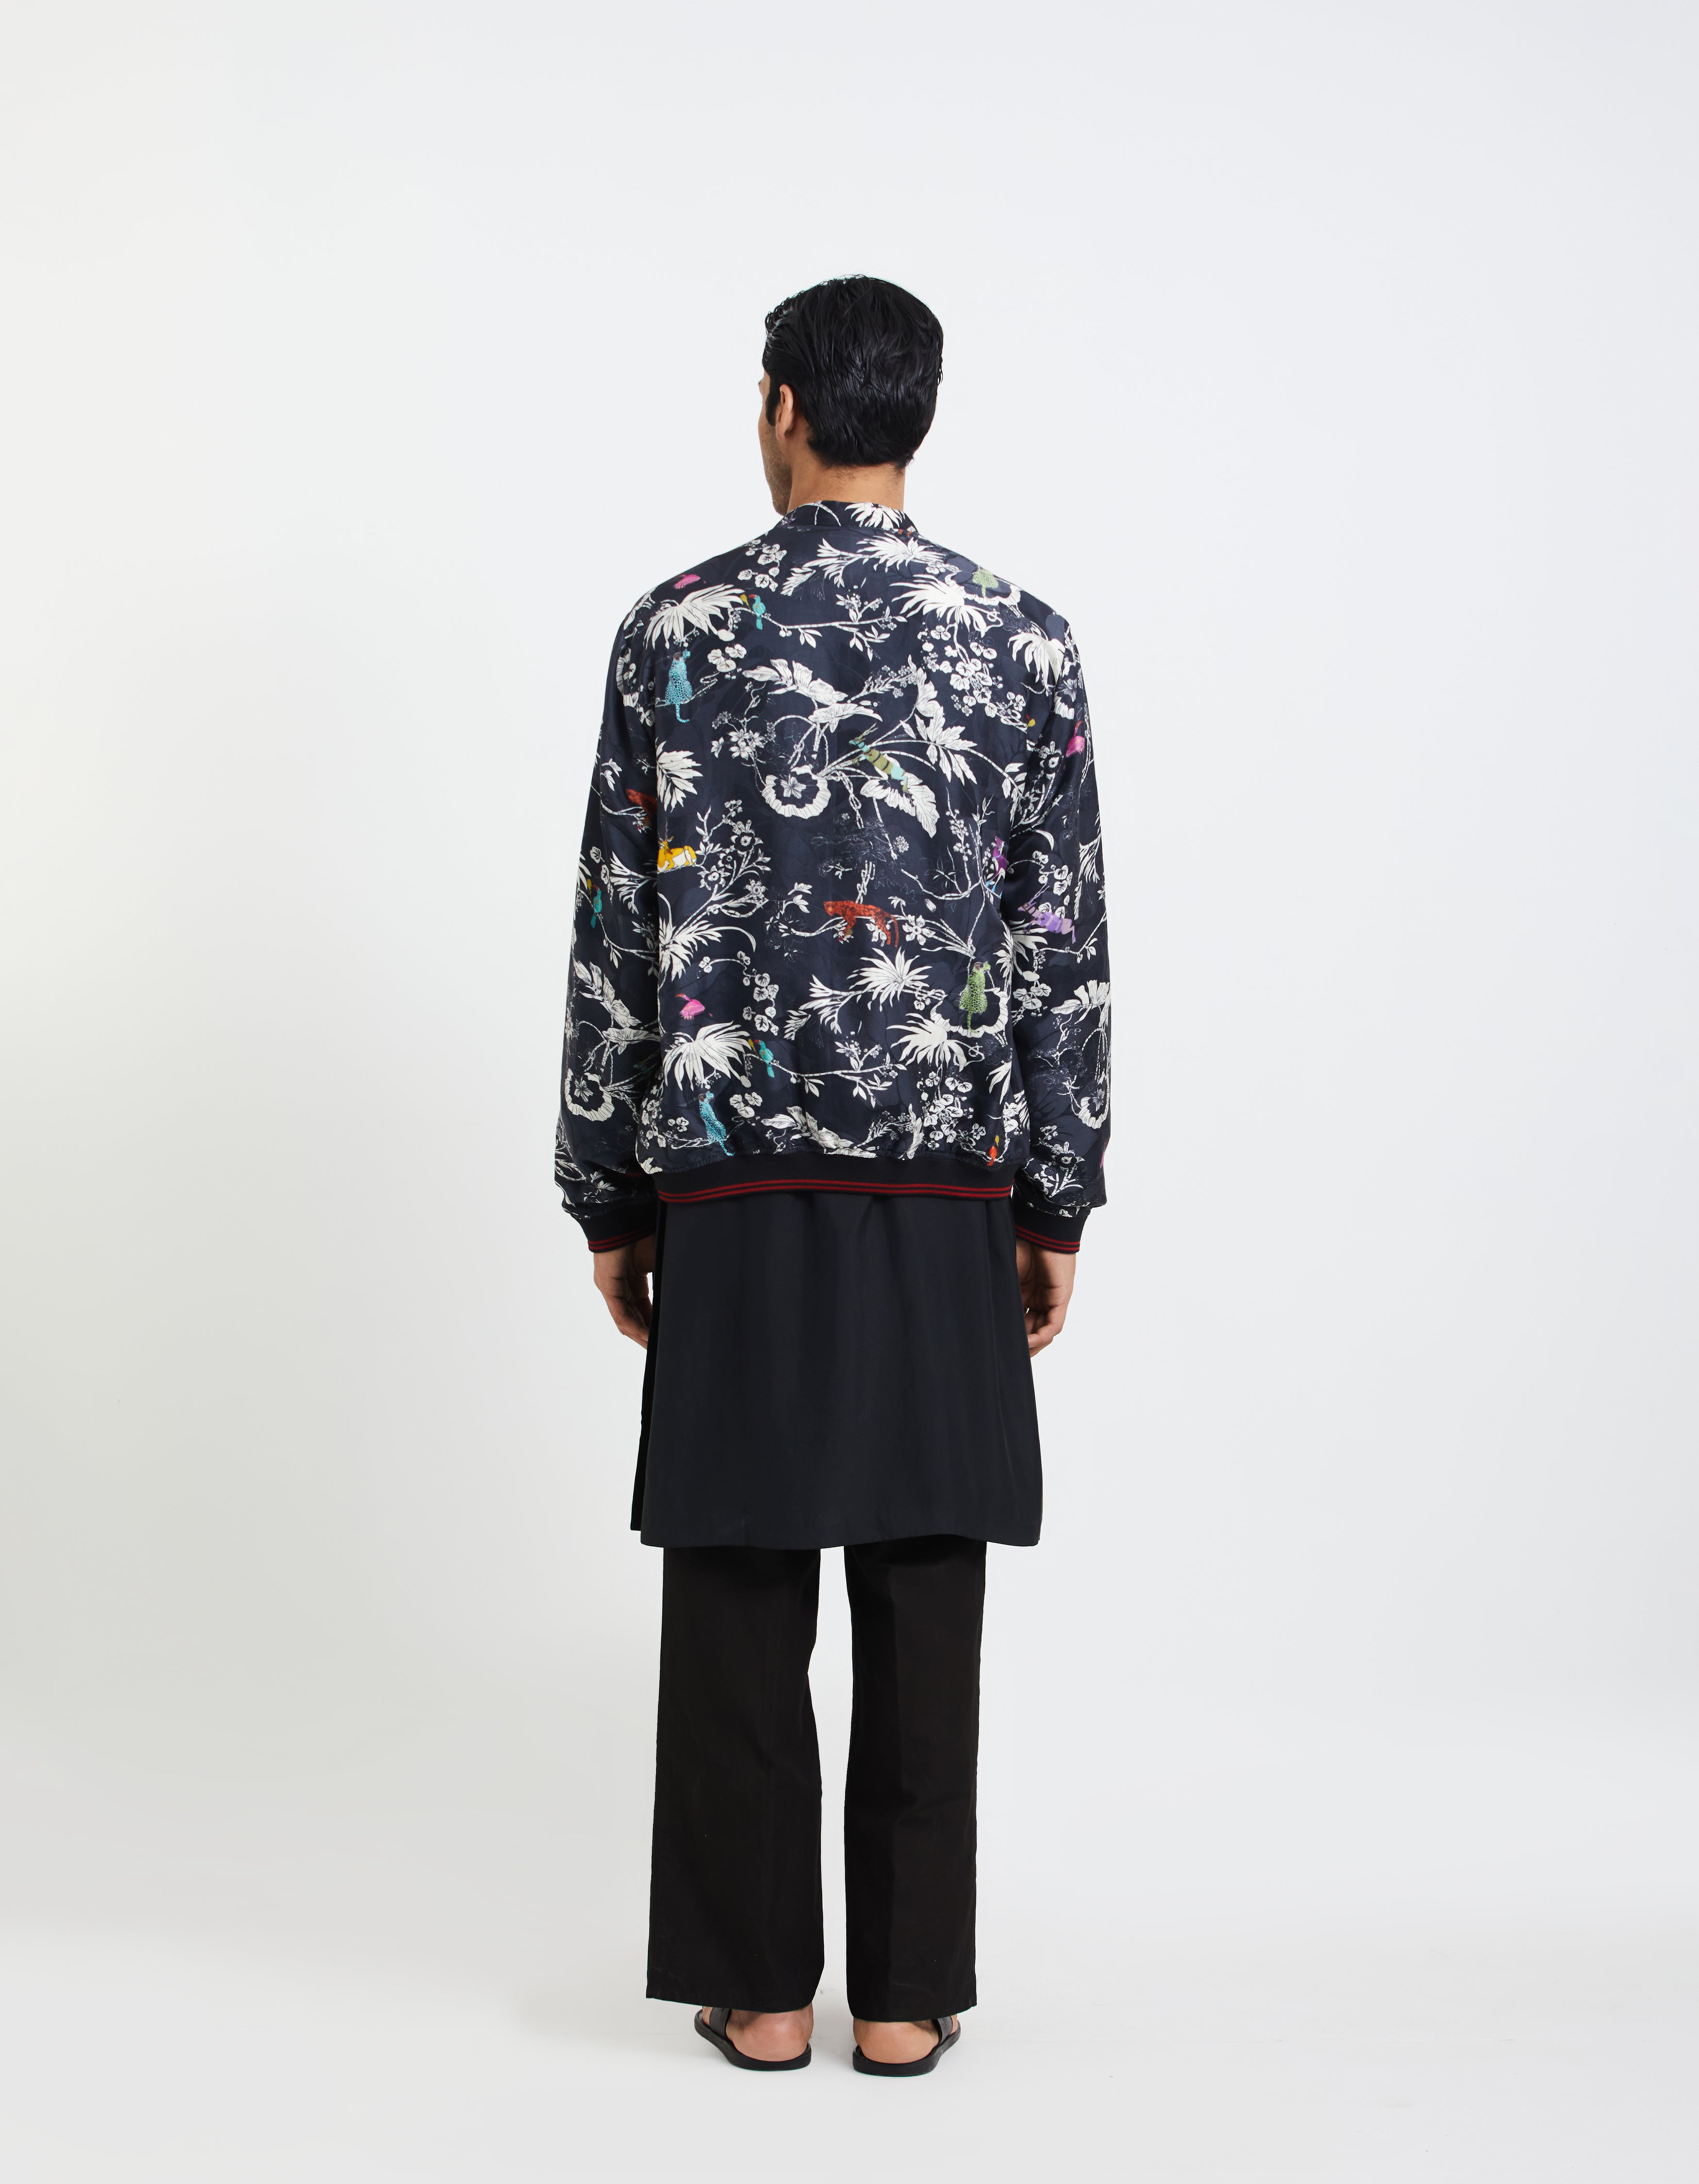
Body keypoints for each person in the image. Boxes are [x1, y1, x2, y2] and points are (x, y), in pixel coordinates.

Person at [555, 275, 1110, 2076]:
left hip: (727, 1176)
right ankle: (903, 1998)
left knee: (737, 1575)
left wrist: (608, 1190)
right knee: (924, 1576)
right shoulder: (1023, 639)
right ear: (914, 414)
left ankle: (763, 1991)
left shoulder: (674, 630)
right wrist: (1055, 1195)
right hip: (947, 1181)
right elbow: (1060, 941)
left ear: (783, 405)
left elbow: (617, 931)